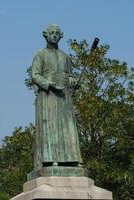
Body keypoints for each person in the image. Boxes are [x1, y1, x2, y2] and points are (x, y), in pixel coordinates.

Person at [31, 24, 82, 170]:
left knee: (68, 127)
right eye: (51, 33)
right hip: (48, 95)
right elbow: (35, 75)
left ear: (61, 36)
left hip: (64, 96)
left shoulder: (65, 57)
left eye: (56, 33)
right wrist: (48, 84)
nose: (54, 35)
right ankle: (50, 158)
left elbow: (70, 76)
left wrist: (73, 81)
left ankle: (71, 159)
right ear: (45, 35)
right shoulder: (40, 55)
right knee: (50, 127)